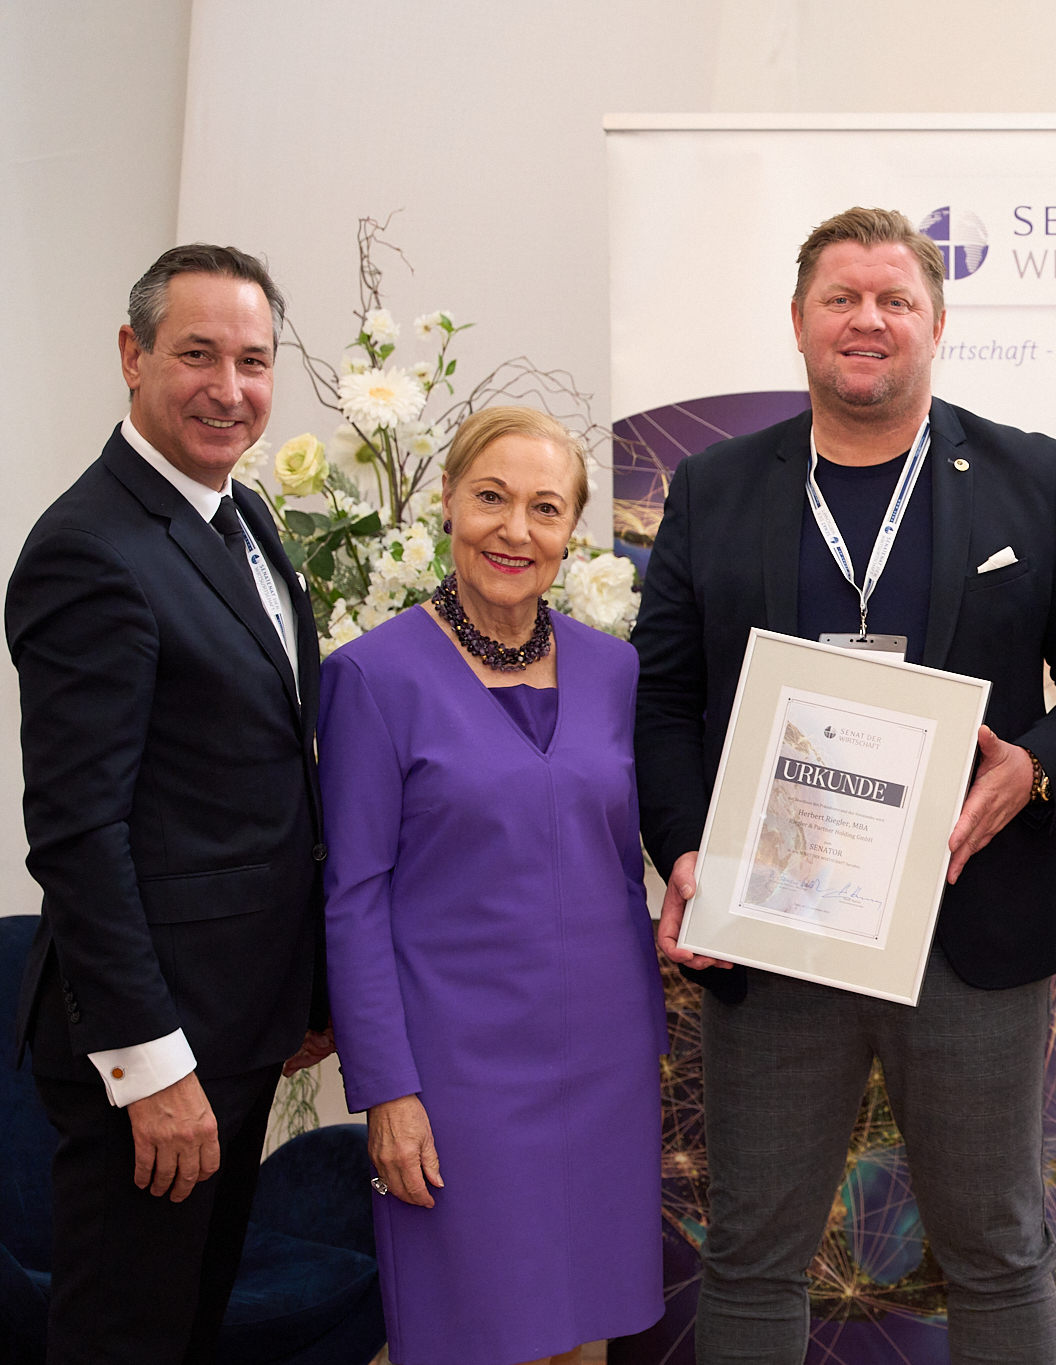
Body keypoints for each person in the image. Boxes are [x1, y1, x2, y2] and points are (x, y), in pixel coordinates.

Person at [633, 206, 1056, 1364]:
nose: (866, 320)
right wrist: (684, 851)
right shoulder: (715, 487)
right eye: (841, 298)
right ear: (798, 320)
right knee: (753, 1255)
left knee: (997, 1251)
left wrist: (1034, 770)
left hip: (972, 922)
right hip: (772, 924)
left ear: (935, 322)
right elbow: (662, 697)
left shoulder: (1031, 476)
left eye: (893, 300)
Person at [6, 244, 332, 1363]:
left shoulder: (241, 517)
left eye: (254, 361)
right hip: (155, 1054)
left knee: (188, 1336)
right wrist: (153, 1069)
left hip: (237, 1030)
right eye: (198, 354)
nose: (229, 389)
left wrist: (304, 991)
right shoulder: (88, 550)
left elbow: (263, 775)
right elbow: (77, 836)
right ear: (132, 355)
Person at [320, 406, 668, 1365]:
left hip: (604, 1066)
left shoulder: (615, 671)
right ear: (446, 500)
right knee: (472, 1332)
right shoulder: (371, 677)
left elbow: (627, 860)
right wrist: (386, 1090)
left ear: (572, 530)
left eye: (545, 508)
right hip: (455, 1081)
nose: (516, 529)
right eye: (491, 497)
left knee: (583, 1337)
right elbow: (352, 900)